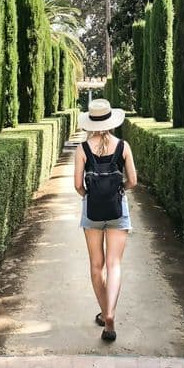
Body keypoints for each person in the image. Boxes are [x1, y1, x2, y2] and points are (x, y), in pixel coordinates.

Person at [74, 98, 137, 342]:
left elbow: (78, 185)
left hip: (92, 211)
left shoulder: (83, 149)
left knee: (96, 266)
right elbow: (132, 180)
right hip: (117, 209)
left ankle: (104, 311)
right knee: (114, 265)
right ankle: (110, 314)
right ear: (111, 120)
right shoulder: (123, 146)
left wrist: (90, 195)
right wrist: (118, 190)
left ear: (91, 122)